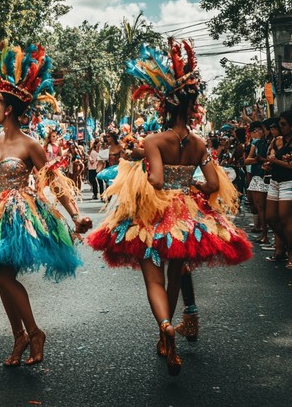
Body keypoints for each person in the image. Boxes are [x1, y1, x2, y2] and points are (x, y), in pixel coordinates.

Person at [88, 40, 253, 376]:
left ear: (163, 105)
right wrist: (190, 186)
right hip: (188, 214)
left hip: (156, 214)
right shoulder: (200, 142)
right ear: (190, 107)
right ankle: (172, 330)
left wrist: (146, 169)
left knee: (154, 279)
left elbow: (159, 181)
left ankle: (164, 327)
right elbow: (212, 183)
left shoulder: (154, 140)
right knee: (176, 274)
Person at [0, 42, 92, 366]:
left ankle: (34, 333)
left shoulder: (30, 144)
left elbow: (54, 179)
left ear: (8, 109)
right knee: (1, 275)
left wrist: (76, 215)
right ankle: (20, 337)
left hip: (19, 216)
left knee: (3, 277)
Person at [264, 110, 292, 268]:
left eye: (283, 124)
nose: (280, 127)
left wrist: (275, 160)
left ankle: (291, 254)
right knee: (270, 218)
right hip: (275, 181)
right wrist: (270, 165)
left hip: (288, 183)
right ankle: (288, 246)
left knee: (285, 218)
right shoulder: (281, 141)